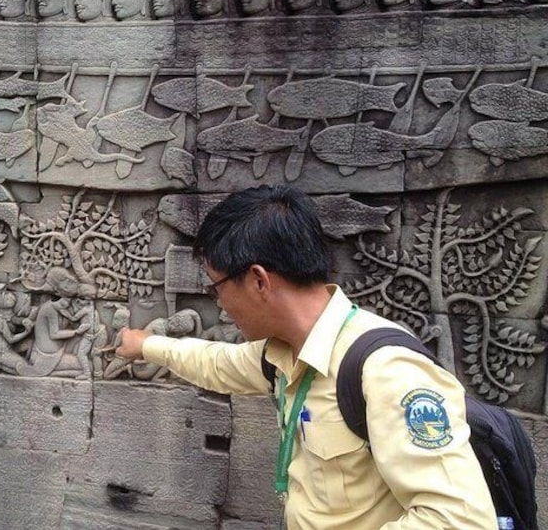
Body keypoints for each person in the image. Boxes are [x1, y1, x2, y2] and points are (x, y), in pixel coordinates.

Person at [116, 185, 497, 529]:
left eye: (216, 288)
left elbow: (459, 520)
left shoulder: (385, 369)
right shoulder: (284, 353)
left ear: (258, 280)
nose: (220, 304)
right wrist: (144, 346)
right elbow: (218, 363)